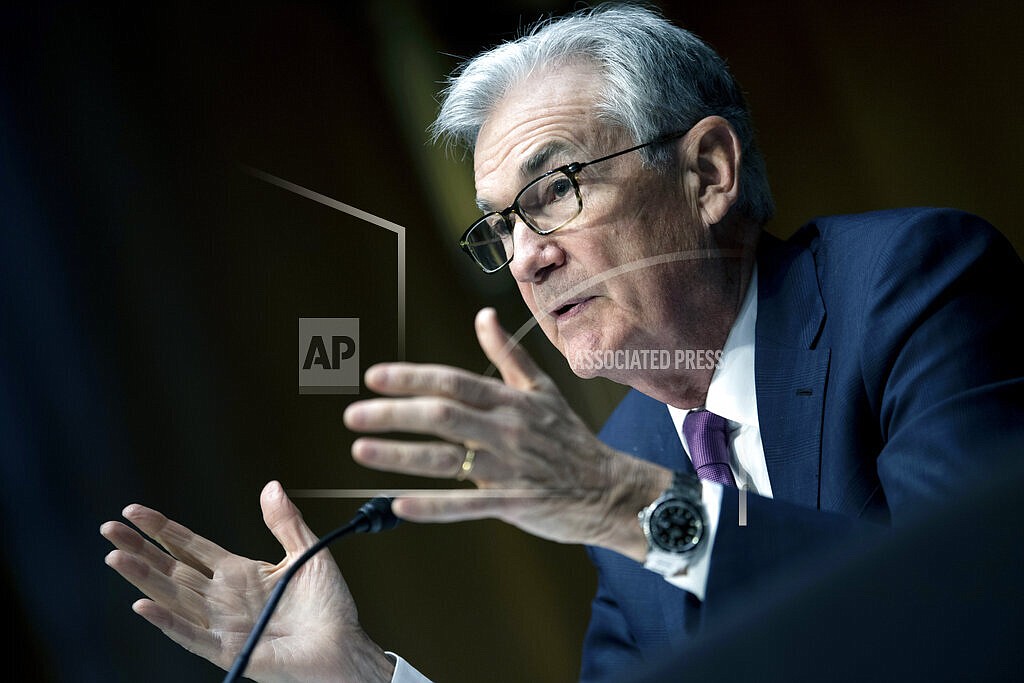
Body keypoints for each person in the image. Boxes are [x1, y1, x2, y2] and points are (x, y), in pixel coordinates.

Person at [100, 3, 1024, 682]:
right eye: (500, 227)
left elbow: (976, 611)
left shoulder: (910, 284)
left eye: (556, 189)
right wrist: (360, 675)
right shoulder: (635, 446)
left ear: (707, 172)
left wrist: (622, 504)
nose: (528, 259)